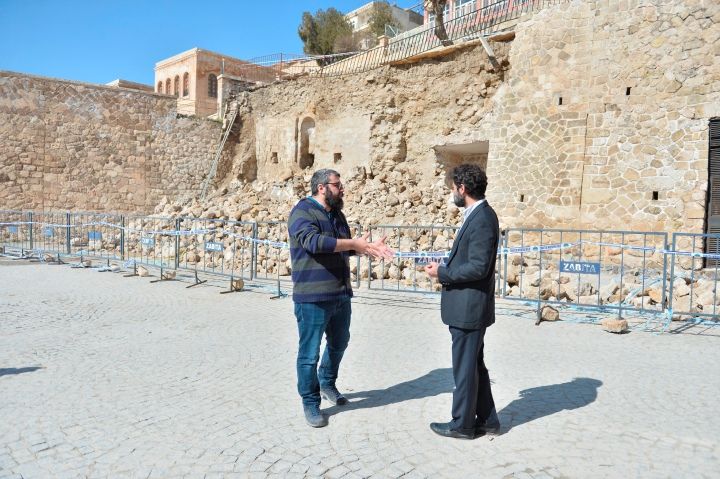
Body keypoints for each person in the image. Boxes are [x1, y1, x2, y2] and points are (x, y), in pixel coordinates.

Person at [288, 168, 394, 428]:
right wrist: (354, 244)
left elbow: (342, 246)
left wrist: (365, 249)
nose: (342, 189)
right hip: (312, 297)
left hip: (340, 294)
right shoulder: (302, 211)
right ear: (321, 187)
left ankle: (326, 382)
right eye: (337, 185)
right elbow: (314, 243)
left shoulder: (337, 214)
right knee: (309, 352)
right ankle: (310, 401)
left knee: (340, 342)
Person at [424, 163, 501, 440]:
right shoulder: (478, 214)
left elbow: (479, 267)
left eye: (453, 188)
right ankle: (489, 419)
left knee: (465, 368)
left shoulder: (482, 218)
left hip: (469, 309)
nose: (453, 194)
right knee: (475, 365)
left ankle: (463, 425)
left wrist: (442, 273)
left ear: (463, 188)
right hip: (470, 307)